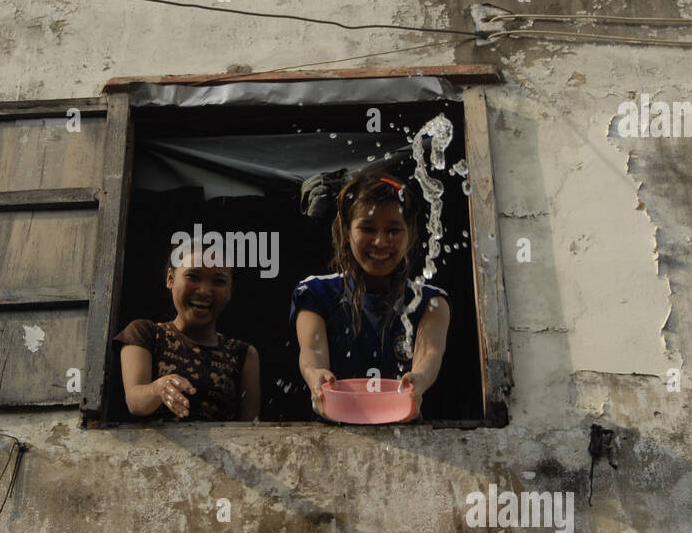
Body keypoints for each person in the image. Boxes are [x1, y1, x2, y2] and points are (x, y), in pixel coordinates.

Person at [291, 170, 450, 421]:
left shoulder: (431, 302)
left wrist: (418, 379)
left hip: (408, 436)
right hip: (331, 436)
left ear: (410, 235)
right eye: (367, 228)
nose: (380, 242)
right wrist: (316, 376)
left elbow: (429, 353)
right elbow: (312, 353)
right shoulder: (315, 294)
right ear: (346, 232)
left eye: (393, 230)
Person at [115, 243, 261, 421]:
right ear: (170, 279)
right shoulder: (145, 333)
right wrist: (158, 388)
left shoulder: (243, 355)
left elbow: (250, 430)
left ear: (230, 290)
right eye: (193, 276)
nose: (204, 291)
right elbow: (134, 401)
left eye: (219, 281)